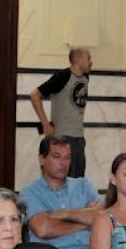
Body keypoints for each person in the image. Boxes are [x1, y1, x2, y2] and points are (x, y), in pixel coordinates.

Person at [21, 134, 103, 249]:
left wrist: (65, 213)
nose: (63, 163)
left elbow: (104, 217)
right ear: (42, 159)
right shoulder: (29, 193)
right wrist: (85, 221)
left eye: (67, 157)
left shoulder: (83, 185)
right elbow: (43, 228)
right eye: (56, 156)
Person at [29, 46, 92, 178]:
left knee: (77, 181)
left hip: (78, 138)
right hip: (61, 137)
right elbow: (35, 95)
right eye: (88, 57)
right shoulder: (62, 77)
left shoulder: (85, 77)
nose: (91, 61)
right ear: (78, 59)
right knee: (59, 180)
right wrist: (45, 124)